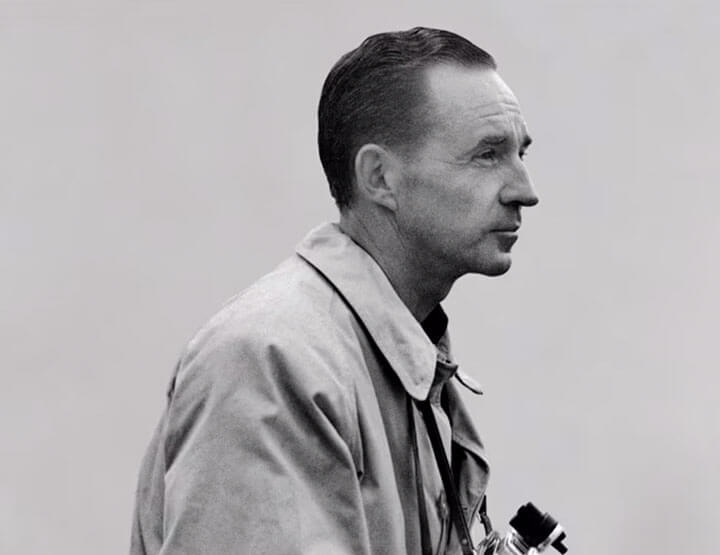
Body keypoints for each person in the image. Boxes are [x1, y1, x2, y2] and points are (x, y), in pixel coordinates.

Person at [131, 26, 539, 555]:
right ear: (380, 177)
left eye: (521, 153)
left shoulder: (390, 356)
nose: (525, 190)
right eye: (488, 154)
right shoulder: (273, 360)